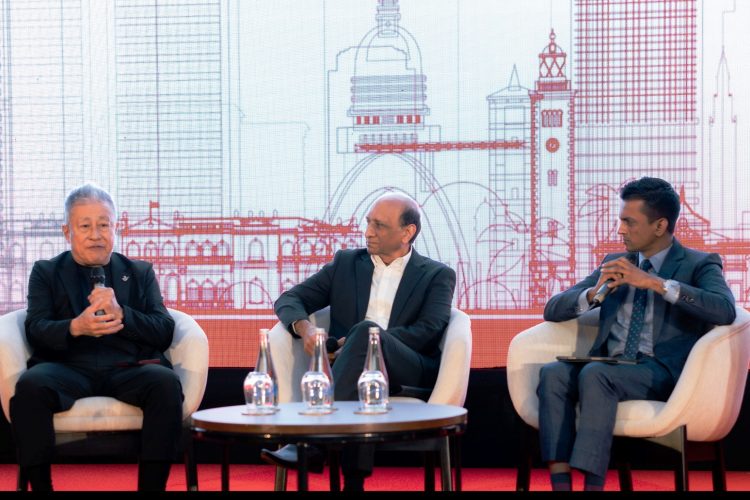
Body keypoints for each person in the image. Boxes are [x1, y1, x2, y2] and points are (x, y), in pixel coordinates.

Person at [536, 176, 736, 491]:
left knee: (596, 375)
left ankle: (592, 486)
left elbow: (724, 310)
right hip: (612, 364)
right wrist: (593, 295)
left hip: (661, 370)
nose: (620, 230)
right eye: (620, 221)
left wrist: (656, 283)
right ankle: (561, 484)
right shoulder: (614, 262)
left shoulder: (698, 263)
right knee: (553, 374)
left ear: (660, 226)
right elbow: (553, 309)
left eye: (629, 222)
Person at [261, 192, 456, 491]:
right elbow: (290, 298)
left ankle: (310, 442)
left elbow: (428, 330)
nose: (368, 232)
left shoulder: (436, 274)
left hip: (407, 368)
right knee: (360, 367)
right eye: (368, 222)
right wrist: (306, 329)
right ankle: (353, 483)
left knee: (366, 332)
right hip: (350, 371)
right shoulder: (346, 263)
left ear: (407, 232)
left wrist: (361, 340)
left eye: (379, 225)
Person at [9, 183, 183, 491]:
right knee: (30, 387)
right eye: (85, 226)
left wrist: (123, 314)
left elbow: (164, 329)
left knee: (166, 384)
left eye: (104, 225)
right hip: (67, 367)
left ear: (116, 228)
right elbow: (35, 328)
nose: (96, 234)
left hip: (128, 367)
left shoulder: (139, 272)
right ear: (67, 231)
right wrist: (75, 327)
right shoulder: (46, 272)